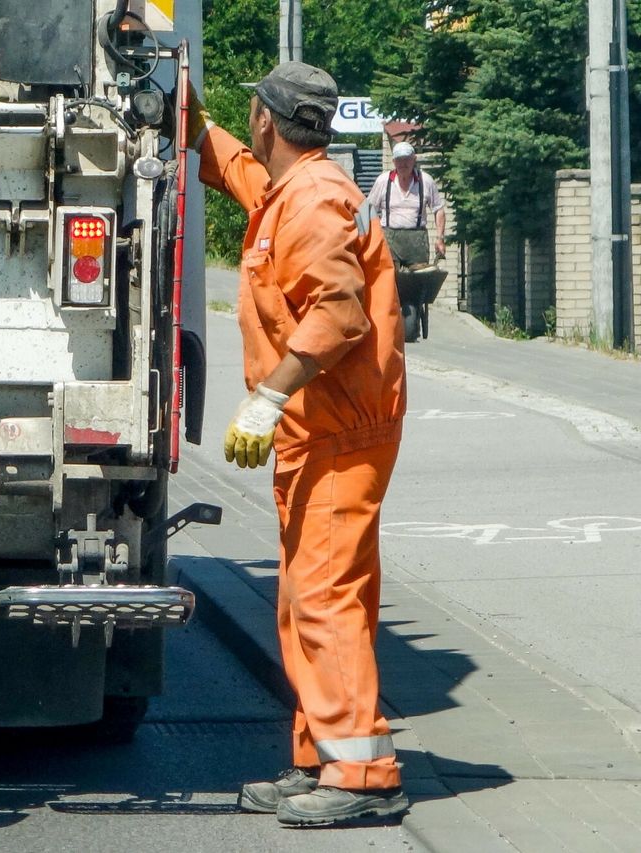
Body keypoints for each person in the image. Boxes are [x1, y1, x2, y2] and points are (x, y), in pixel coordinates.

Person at [186, 62, 409, 827]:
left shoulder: (311, 202)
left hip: (337, 429)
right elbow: (241, 173)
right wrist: (186, 110)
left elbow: (340, 312)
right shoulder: (298, 189)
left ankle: (364, 775)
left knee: (325, 598)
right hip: (326, 429)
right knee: (303, 599)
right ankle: (321, 757)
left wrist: (267, 395)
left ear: (267, 119)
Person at [367, 141, 447, 260]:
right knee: (390, 278)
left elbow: (438, 210)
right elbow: (367, 211)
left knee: (418, 278)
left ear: (414, 159)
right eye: (399, 159)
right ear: (394, 161)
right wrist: (362, 241)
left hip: (417, 243)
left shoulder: (426, 181)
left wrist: (440, 238)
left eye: (407, 159)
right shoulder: (383, 181)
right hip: (389, 242)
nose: (403, 164)